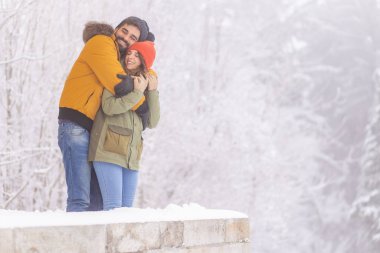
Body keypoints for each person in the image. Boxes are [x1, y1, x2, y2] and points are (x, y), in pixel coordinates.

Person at [58, 17, 155, 212]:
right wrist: (143, 107)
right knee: (80, 198)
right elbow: (119, 82)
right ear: (116, 28)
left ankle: (91, 242)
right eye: (124, 31)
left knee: (96, 202)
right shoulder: (102, 42)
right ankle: (76, 242)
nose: (126, 37)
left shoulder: (115, 54)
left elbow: (144, 67)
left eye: (132, 37)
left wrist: (148, 47)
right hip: (75, 124)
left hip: (90, 130)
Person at [88, 40, 160, 210]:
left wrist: (152, 91)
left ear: (145, 60)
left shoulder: (145, 83)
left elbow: (153, 121)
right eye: (129, 53)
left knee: (127, 212)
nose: (130, 57)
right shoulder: (116, 76)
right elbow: (109, 107)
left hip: (131, 157)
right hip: (108, 151)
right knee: (113, 208)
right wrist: (136, 93)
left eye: (137, 55)